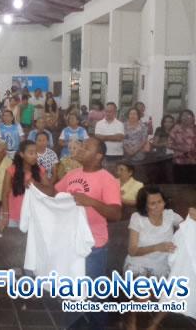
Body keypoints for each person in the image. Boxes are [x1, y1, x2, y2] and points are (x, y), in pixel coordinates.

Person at [40, 137, 121, 330]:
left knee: (94, 295)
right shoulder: (73, 174)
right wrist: (37, 185)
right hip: (70, 244)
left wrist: (91, 202)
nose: (81, 149)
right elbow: (54, 194)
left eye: (86, 147)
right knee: (71, 292)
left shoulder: (107, 179)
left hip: (94, 246)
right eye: (81, 146)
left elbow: (116, 214)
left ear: (98, 155)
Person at [123, 186, 186, 330]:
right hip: (138, 264)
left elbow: (187, 227)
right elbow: (132, 250)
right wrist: (157, 247)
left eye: (160, 201)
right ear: (144, 206)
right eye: (153, 203)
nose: (158, 206)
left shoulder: (170, 215)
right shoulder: (137, 218)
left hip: (163, 266)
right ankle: (131, 319)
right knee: (143, 295)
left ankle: (154, 324)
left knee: (174, 293)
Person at [0, 140, 47, 231]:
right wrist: (5, 216)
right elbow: (5, 194)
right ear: (22, 154)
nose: (35, 156)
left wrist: (36, 184)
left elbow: (50, 191)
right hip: (12, 215)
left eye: (36, 153)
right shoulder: (11, 170)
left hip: (32, 216)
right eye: (31, 153)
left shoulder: (40, 171)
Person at [168, 109, 196, 184]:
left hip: (192, 161)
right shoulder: (175, 129)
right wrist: (181, 149)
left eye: (188, 116)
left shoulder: (194, 129)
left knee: (192, 186)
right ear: (180, 117)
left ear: (193, 118)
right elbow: (169, 144)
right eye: (183, 115)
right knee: (179, 185)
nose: (186, 117)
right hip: (179, 162)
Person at [95, 102, 125, 169]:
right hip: (103, 155)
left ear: (115, 112)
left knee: (116, 177)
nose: (107, 113)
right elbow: (97, 137)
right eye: (106, 111)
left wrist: (104, 137)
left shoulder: (120, 124)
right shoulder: (99, 124)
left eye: (110, 111)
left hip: (117, 155)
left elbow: (119, 138)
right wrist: (114, 137)